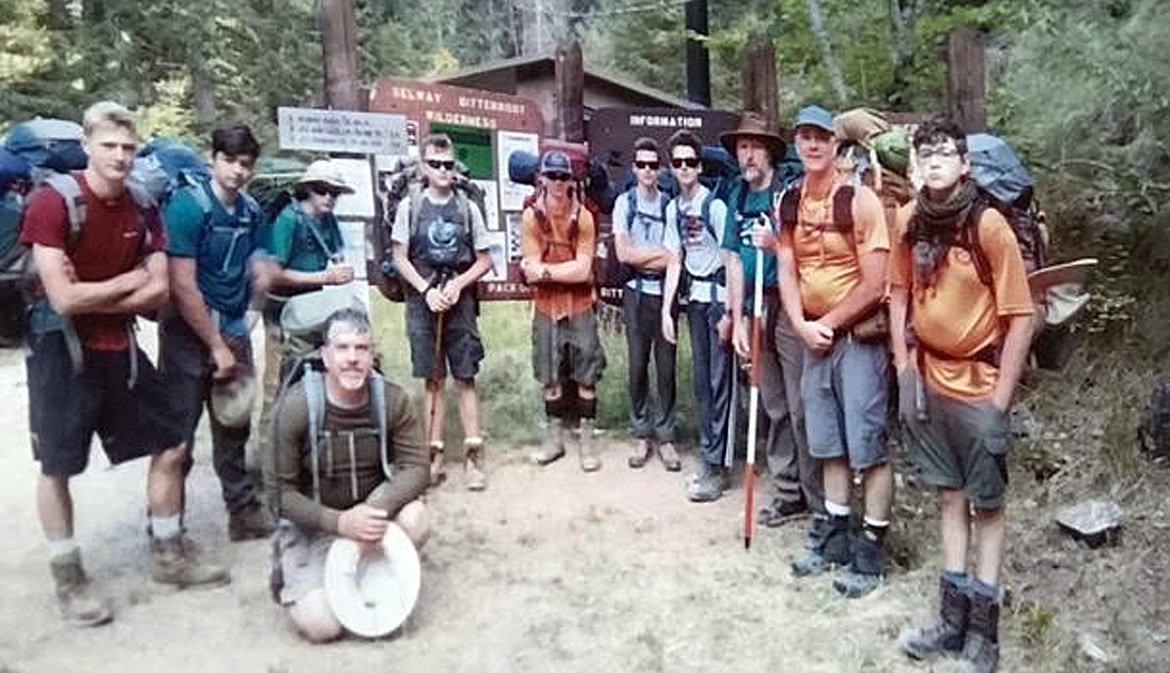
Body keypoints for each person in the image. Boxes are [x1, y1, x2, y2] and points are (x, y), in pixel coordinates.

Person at [22, 101, 229, 627]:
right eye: (109, 146)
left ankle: (167, 552)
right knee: (58, 466)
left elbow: (158, 291)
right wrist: (124, 284)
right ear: (88, 145)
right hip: (59, 349)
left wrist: (100, 293)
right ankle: (68, 577)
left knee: (172, 443)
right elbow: (63, 302)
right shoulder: (52, 202)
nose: (119, 156)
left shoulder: (143, 205)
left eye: (128, 147)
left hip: (122, 348)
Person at [891, 118, 1034, 673]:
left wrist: (1000, 405)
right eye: (925, 154)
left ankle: (985, 636)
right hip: (928, 381)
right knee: (949, 496)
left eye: (945, 154)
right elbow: (898, 291)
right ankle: (951, 624)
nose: (934, 163)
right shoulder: (910, 221)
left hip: (979, 388)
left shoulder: (989, 226)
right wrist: (904, 369)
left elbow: (1019, 319)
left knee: (988, 506)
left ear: (965, 163)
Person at [774, 106, 893, 597]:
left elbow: (876, 282)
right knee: (829, 446)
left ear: (836, 144)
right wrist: (801, 324)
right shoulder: (789, 201)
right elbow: (786, 266)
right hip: (814, 338)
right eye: (804, 137)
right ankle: (835, 536)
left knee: (868, 446)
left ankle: (871, 550)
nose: (812, 145)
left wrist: (825, 323)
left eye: (821, 136)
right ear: (797, 144)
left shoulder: (860, 201)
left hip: (856, 339)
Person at [265, 307, 429, 643]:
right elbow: (279, 494)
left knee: (417, 518)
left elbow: (416, 468)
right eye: (342, 348)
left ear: (373, 355)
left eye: (361, 348)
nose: (352, 358)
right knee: (322, 627)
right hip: (316, 523)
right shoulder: (296, 407)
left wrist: (374, 509)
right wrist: (339, 523)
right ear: (324, 355)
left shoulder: (393, 400)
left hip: (373, 514)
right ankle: (294, 569)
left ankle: (371, 569)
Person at [159, 124, 275, 541]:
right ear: (213, 158)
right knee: (178, 435)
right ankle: (168, 530)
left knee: (233, 423)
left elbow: (258, 257)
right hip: (187, 334)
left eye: (245, 163)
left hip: (233, 328)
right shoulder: (188, 207)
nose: (238, 171)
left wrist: (254, 299)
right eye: (229, 160)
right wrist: (215, 344)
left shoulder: (250, 211)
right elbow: (182, 284)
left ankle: (242, 513)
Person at [719, 111, 822, 525]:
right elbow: (732, 260)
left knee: (801, 404)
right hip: (755, 306)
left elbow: (805, 249)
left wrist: (775, 241)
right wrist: (737, 315)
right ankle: (788, 491)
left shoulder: (790, 194)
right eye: (742, 147)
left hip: (789, 304)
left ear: (769, 153)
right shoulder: (737, 198)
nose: (748, 156)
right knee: (773, 403)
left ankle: (821, 501)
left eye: (754, 147)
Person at [390, 133, 493, 491]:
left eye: (448, 164)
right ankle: (432, 454)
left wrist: (458, 285)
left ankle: (473, 454)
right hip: (423, 300)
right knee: (432, 378)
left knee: (466, 376)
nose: (443, 170)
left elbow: (484, 258)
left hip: (459, 299)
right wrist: (425, 290)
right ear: (423, 166)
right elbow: (399, 257)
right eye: (435, 164)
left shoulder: (467, 206)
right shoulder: (411, 206)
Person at [260, 160, 356, 471]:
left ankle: (317, 456)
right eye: (321, 190)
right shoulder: (289, 219)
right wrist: (322, 279)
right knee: (279, 385)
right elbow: (274, 274)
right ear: (307, 190)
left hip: (318, 313)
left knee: (322, 381)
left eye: (334, 192)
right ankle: (268, 460)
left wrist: (337, 273)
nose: (328, 197)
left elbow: (336, 254)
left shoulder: (329, 221)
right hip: (284, 313)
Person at [520, 150, 607, 472]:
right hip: (545, 305)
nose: (558, 182)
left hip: (581, 303)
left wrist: (545, 271)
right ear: (541, 177)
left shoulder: (582, 217)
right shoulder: (532, 217)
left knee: (587, 373)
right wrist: (555, 271)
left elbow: (584, 271)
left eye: (563, 176)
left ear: (572, 180)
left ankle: (587, 441)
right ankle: (553, 439)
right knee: (549, 373)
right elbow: (528, 268)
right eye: (552, 175)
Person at [660, 130, 732, 501]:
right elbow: (675, 259)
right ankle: (709, 455)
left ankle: (717, 464)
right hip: (695, 301)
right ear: (671, 167)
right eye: (678, 162)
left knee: (719, 384)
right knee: (702, 383)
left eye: (691, 162)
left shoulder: (714, 207)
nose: (685, 168)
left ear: (700, 166)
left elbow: (729, 260)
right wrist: (667, 310)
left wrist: (731, 312)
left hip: (718, 300)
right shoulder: (674, 210)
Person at [612, 137, 679, 471]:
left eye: (654, 165)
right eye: (642, 165)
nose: (648, 171)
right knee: (637, 366)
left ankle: (666, 437)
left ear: (660, 168)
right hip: (636, 292)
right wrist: (660, 256)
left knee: (666, 369)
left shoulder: (669, 204)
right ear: (634, 168)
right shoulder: (624, 203)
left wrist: (651, 258)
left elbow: (675, 259)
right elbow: (624, 254)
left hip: (664, 293)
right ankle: (641, 432)